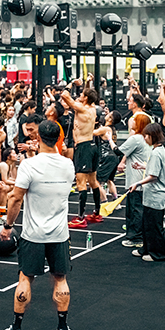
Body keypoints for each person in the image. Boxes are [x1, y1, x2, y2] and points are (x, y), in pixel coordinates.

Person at [0, 120, 75, 330]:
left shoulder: (29, 165)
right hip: (59, 234)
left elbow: (16, 198)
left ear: (38, 138)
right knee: (60, 278)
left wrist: (7, 226)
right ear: (59, 138)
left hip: (33, 235)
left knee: (25, 278)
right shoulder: (68, 165)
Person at [61, 83, 103, 228]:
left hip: (83, 147)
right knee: (93, 181)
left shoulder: (82, 108)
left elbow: (64, 95)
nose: (79, 95)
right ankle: (97, 213)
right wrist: (87, 84)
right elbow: (87, 97)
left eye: (82, 95)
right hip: (92, 145)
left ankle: (80, 217)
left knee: (81, 183)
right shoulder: (92, 108)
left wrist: (71, 83)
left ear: (85, 98)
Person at [128, 123, 165, 262]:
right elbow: (155, 168)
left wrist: (138, 183)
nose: (144, 138)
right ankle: (146, 249)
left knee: (154, 226)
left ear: (153, 136)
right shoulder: (158, 149)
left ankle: (158, 253)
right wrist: (143, 166)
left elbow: (154, 176)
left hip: (156, 195)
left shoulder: (157, 152)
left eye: (146, 135)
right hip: (151, 195)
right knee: (147, 225)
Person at [114, 113, 152, 249]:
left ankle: (136, 237)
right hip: (141, 179)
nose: (132, 122)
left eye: (135, 120)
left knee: (135, 210)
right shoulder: (145, 139)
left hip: (136, 180)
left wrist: (109, 138)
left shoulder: (136, 138)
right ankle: (137, 235)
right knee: (137, 209)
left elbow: (118, 151)